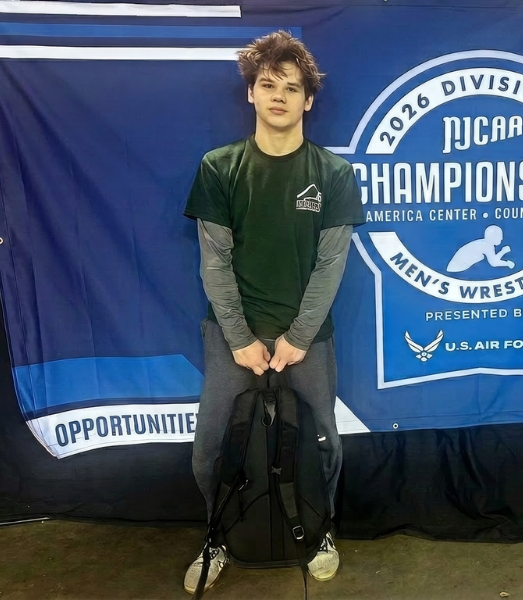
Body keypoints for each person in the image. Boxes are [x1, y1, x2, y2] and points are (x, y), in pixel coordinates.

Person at [181, 30, 364, 594]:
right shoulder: (219, 167)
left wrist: (299, 337)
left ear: (308, 100)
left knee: (324, 440)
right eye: (268, 85)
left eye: (291, 87)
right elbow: (215, 263)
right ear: (251, 94)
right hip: (231, 338)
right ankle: (217, 536)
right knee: (209, 449)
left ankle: (321, 531)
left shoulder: (334, 174)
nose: (279, 95)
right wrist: (240, 338)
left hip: (309, 341)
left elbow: (331, 265)